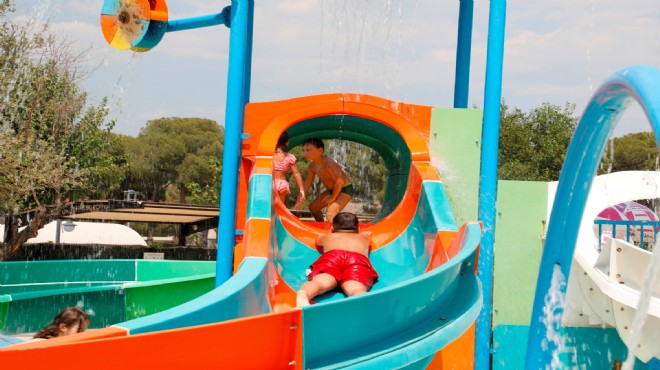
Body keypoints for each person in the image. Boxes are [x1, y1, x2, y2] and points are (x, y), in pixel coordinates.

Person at [296, 212, 378, 307]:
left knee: (321, 281)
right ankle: (361, 302)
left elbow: (318, 240)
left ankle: (304, 294)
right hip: (356, 260)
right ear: (358, 229)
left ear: (332, 229)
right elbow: (369, 234)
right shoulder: (363, 237)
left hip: (332, 257)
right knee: (356, 287)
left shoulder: (327, 237)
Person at [297, 138, 353, 222]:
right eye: (304, 150)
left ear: (320, 150)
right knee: (313, 208)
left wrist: (332, 198)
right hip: (332, 190)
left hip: (344, 189)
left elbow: (340, 182)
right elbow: (308, 182)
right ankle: (322, 227)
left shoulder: (329, 164)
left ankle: (337, 233)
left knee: (330, 215)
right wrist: (300, 196)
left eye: (308, 150)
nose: (305, 153)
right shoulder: (312, 166)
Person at [273, 131, 305, 205]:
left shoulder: (269, 156)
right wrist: (301, 189)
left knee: (269, 208)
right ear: (286, 143)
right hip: (282, 185)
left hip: (270, 183)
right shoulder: (289, 157)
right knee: (280, 208)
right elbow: (296, 173)